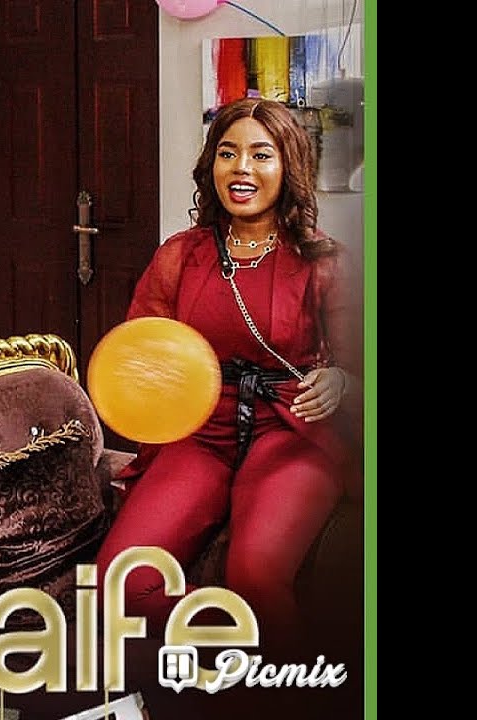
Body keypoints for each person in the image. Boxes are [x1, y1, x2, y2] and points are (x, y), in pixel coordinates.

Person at [93, 98, 361, 653]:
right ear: (210, 165)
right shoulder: (179, 257)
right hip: (200, 434)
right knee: (119, 583)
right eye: (227, 153)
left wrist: (341, 381)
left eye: (261, 155)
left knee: (256, 579)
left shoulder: (324, 262)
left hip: (292, 432)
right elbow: (139, 353)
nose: (242, 168)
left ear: (288, 166)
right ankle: (229, 657)